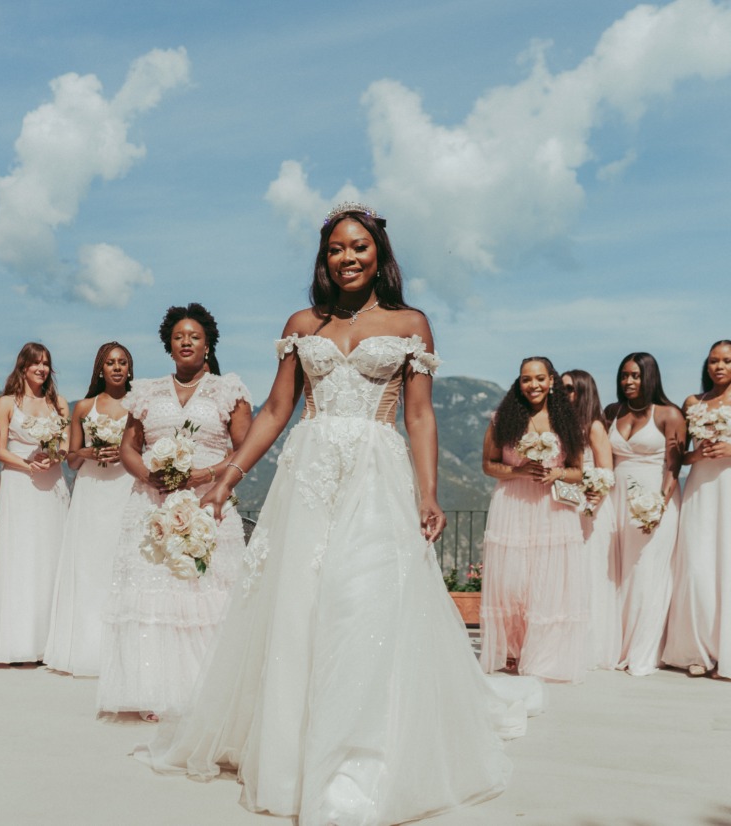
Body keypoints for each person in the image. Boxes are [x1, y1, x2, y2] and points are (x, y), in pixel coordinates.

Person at [136, 203, 539, 826]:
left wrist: (427, 493)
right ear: (323, 260)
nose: (347, 258)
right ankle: (294, 755)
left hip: (377, 474)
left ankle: (357, 763)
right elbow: (275, 410)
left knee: (364, 603)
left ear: (379, 254)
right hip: (310, 474)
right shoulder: (303, 323)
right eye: (335, 250)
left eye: (358, 247)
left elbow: (420, 415)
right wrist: (227, 476)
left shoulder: (411, 323)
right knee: (301, 604)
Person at [98, 305, 251, 721]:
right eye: (179, 336)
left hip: (208, 503)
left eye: (195, 336)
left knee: (205, 594)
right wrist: (149, 476)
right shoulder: (146, 391)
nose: (186, 341)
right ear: (169, 344)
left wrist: (205, 474)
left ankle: (208, 693)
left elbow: (244, 449)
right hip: (152, 505)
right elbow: (130, 446)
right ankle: (154, 691)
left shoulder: (227, 390)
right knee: (156, 595)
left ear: (208, 344)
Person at [663, 340, 731, 681]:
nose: (719, 366)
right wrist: (702, 453)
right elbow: (680, 455)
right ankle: (696, 650)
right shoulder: (692, 403)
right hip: (702, 488)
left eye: (726, 361)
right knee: (697, 566)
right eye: (713, 361)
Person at [479, 356, 589, 682]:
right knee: (513, 581)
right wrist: (518, 470)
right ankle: (513, 649)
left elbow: (578, 471)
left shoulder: (566, 423)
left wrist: (555, 472)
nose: (534, 385)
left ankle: (545, 651)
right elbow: (488, 464)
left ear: (551, 380)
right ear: (519, 382)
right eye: (527, 379)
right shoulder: (502, 419)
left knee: (547, 582)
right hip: (513, 504)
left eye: (540, 378)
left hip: (551, 509)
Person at [43, 342, 136, 677]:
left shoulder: (139, 405)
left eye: (122, 362)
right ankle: (85, 647)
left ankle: (124, 650)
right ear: (100, 368)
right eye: (110, 362)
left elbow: (146, 451)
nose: (116, 368)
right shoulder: (83, 407)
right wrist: (91, 453)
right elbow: (69, 459)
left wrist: (122, 453)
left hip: (126, 489)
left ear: (129, 368)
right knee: (89, 565)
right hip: (92, 492)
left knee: (122, 564)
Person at [604, 353, 684, 676]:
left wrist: (659, 507)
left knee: (647, 571)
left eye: (635, 375)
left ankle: (642, 650)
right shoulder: (612, 412)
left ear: (650, 376)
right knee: (619, 571)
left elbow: (673, 467)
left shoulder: (669, 414)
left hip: (653, 499)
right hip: (616, 498)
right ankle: (615, 644)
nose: (628, 382)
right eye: (624, 376)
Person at [0, 343, 71, 665]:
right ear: (22, 366)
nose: (41, 369)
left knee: (51, 557)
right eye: (36, 363)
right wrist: (28, 465)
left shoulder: (59, 403)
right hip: (19, 486)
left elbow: (65, 445)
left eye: (46, 364)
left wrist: (54, 457)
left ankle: (49, 642)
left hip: (52, 485)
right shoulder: (7, 403)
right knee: (20, 559)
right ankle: (20, 643)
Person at [561, 368, 621, 670]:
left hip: (590, 507)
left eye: (569, 389)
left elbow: (606, 471)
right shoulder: (559, 425)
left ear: (583, 392)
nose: (563, 394)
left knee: (592, 573)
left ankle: (592, 646)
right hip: (564, 504)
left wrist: (593, 495)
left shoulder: (594, 426)